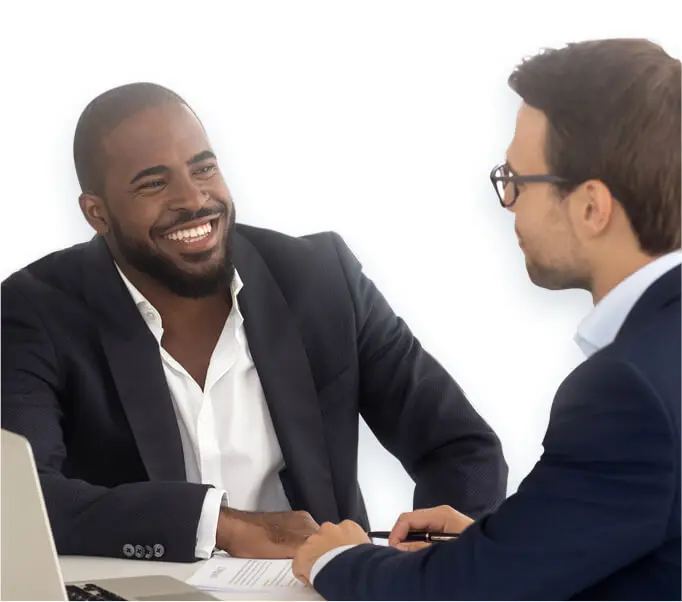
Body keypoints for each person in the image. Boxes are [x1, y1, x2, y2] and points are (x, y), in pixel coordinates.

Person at [1, 82, 507, 563]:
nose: (194, 199)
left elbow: (459, 446)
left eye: (203, 169)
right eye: (154, 183)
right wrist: (220, 524)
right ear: (97, 213)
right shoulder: (34, 310)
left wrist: (436, 560)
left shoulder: (322, 280)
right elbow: (20, 500)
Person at [293, 38, 681, 600]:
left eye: (518, 182)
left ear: (592, 207)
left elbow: (462, 595)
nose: (509, 204)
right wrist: (500, 544)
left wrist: (337, 559)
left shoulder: (627, 391)